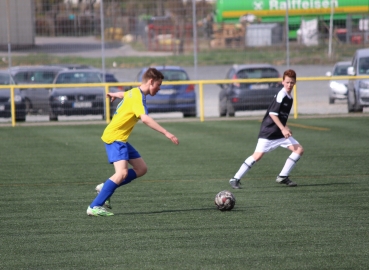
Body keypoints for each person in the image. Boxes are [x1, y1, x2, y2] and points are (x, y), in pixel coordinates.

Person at [87, 68, 179, 216]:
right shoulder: (138, 97)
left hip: (119, 137)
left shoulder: (134, 92)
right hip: (116, 137)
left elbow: (126, 95)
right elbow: (145, 118)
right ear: (151, 81)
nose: (159, 88)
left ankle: (105, 187)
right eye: (158, 84)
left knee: (141, 168)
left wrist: (116, 94)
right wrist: (167, 133)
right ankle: (94, 206)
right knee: (122, 173)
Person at [229, 69, 304, 189]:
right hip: (269, 132)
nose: (289, 85)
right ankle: (235, 179)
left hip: (279, 133)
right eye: (287, 82)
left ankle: (283, 176)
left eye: (292, 82)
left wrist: (285, 127)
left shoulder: (289, 97)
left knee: (299, 149)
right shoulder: (282, 94)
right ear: (282, 81)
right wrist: (283, 129)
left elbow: (281, 116)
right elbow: (273, 114)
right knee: (257, 156)